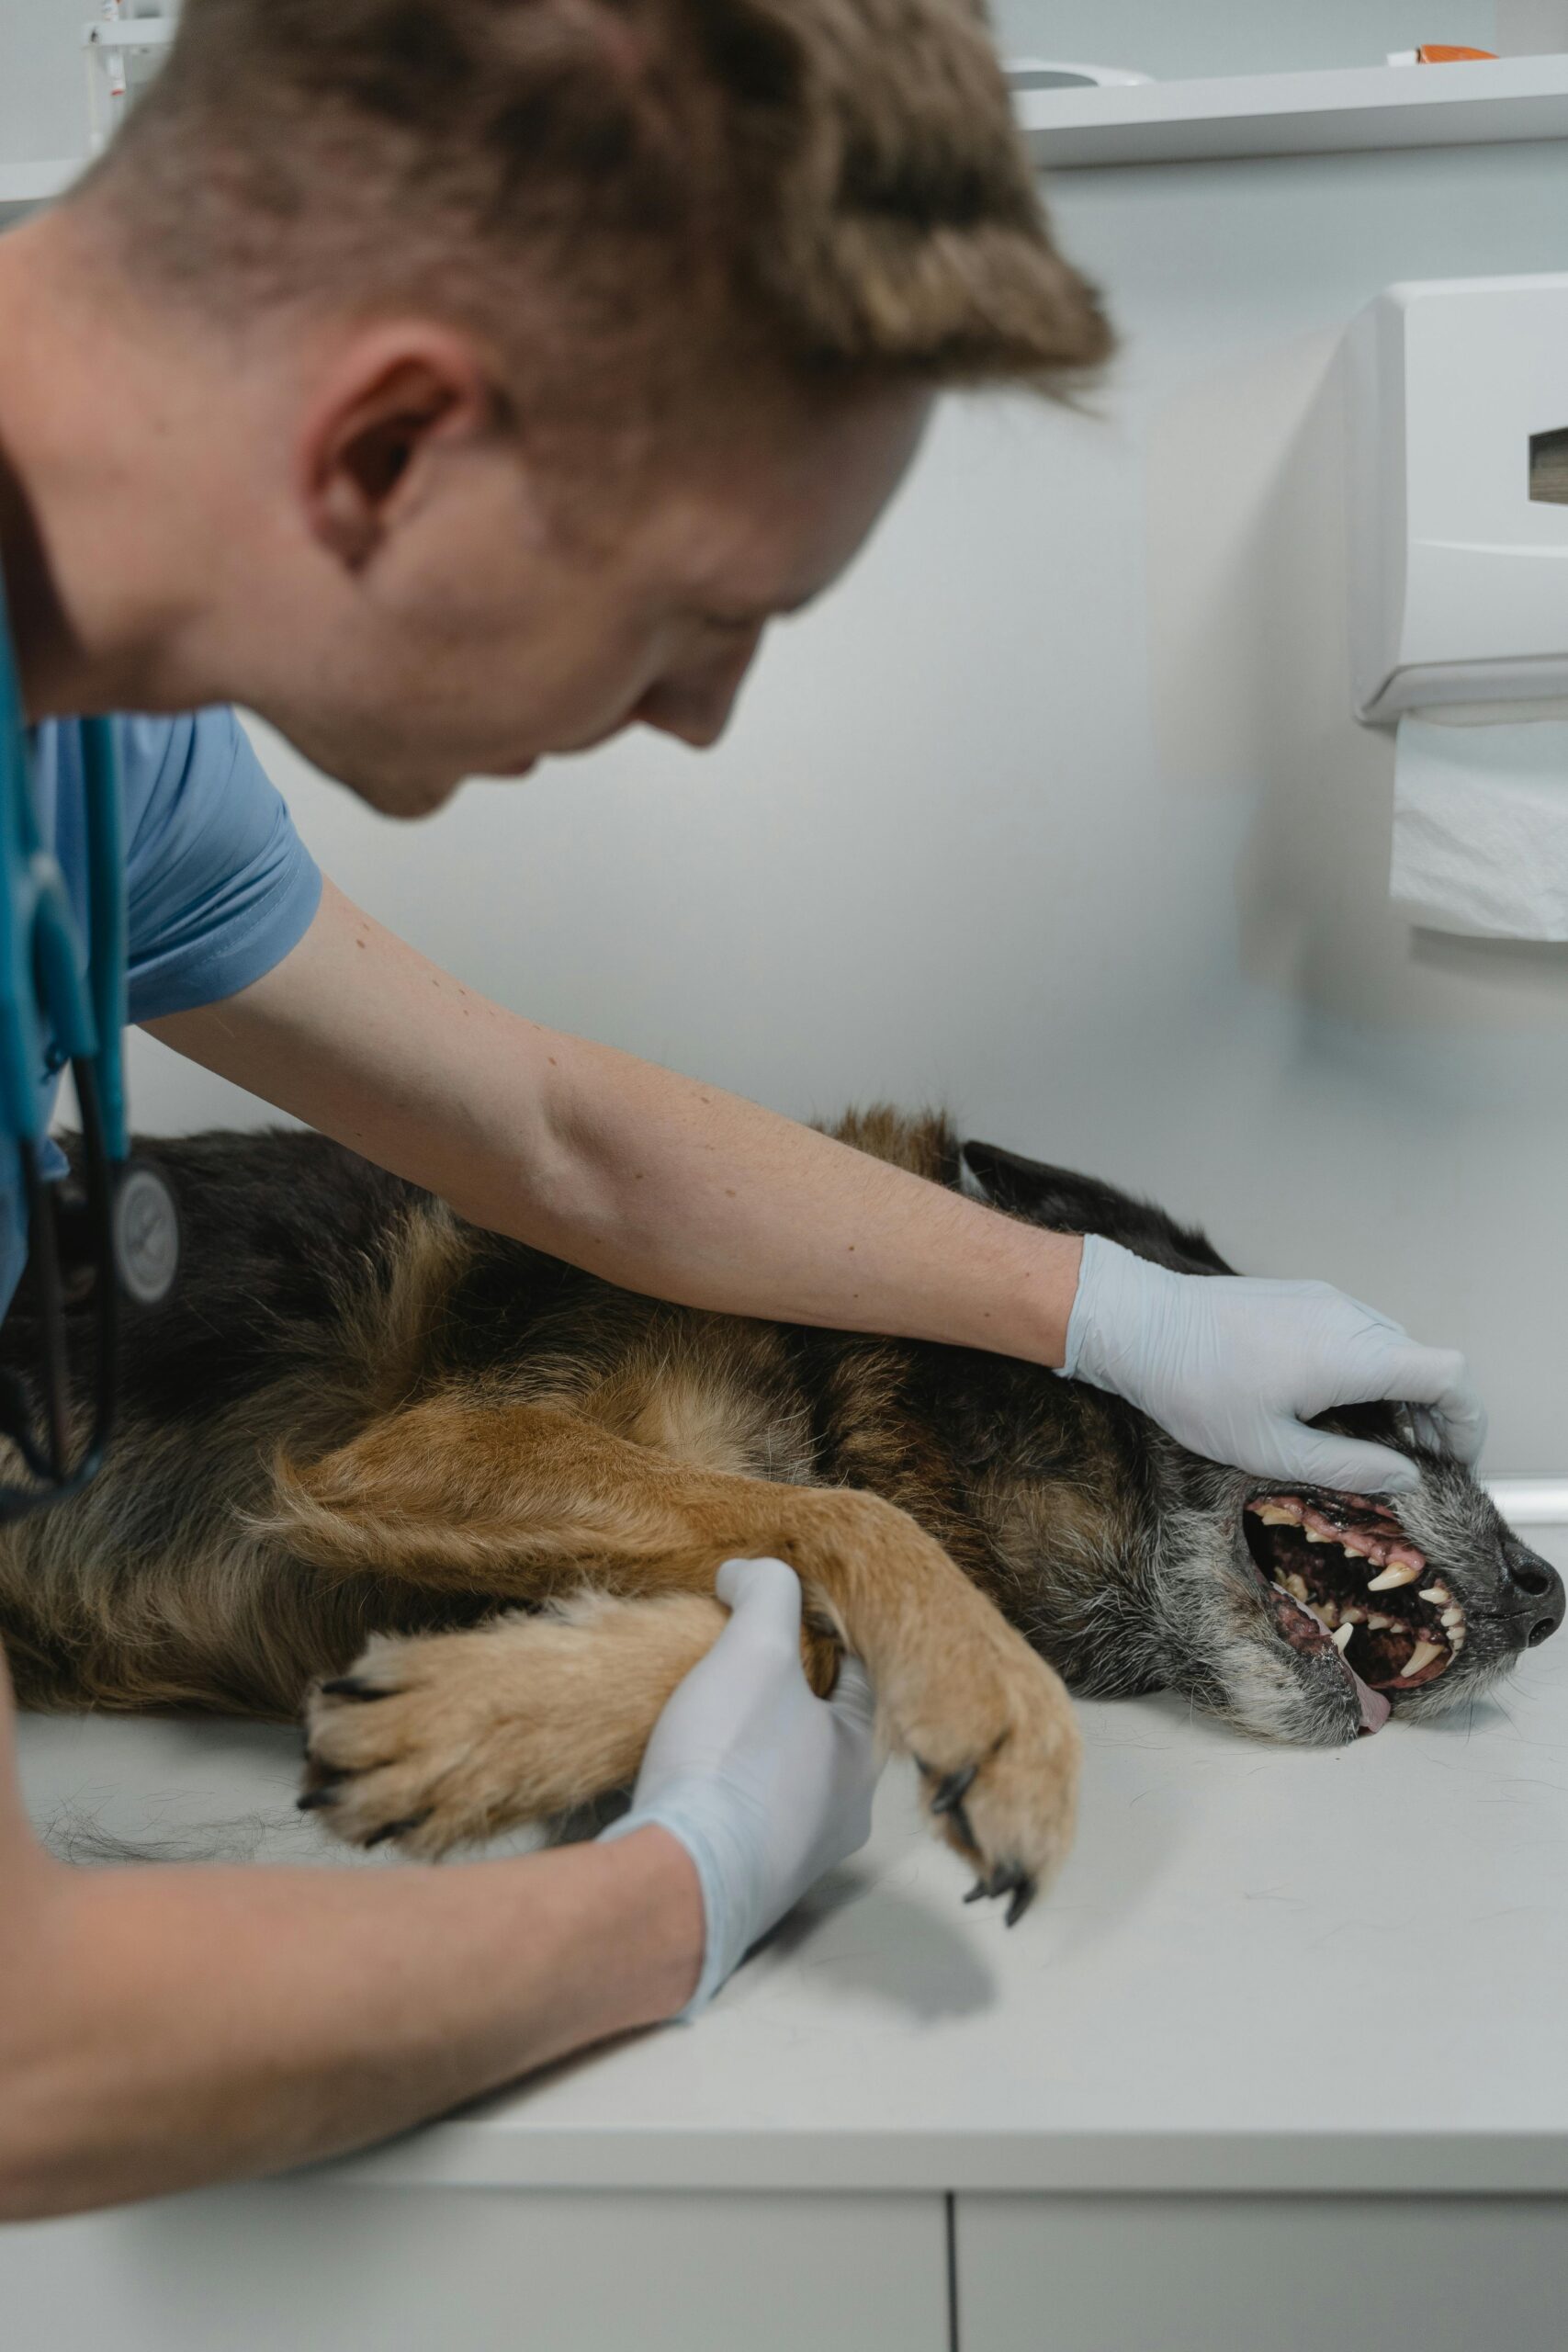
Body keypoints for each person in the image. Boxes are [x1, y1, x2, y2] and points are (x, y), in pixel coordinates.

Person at [0, 0, 1483, 2220]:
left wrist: (1098, 1307)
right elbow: (32, 2056)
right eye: (705, 609)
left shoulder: (111, 738)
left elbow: (548, 1130)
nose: (700, 716)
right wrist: (682, 1897)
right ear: (392, 445)